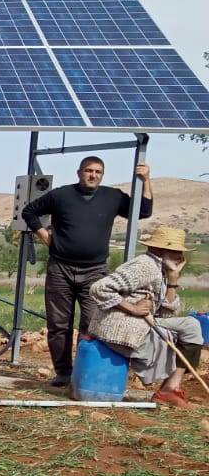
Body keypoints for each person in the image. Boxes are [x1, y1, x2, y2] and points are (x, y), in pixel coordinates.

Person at [22, 156, 154, 387]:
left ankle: (83, 374)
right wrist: (44, 235)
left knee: (92, 324)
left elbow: (143, 212)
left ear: (102, 175)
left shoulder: (112, 197)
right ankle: (63, 373)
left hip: (95, 273)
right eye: (89, 171)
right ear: (79, 172)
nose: (93, 175)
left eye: (98, 172)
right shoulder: (61, 195)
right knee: (58, 325)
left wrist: (146, 179)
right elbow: (29, 211)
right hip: (60, 269)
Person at [87, 226, 201, 408]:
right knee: (189, 328)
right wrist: (132, 308)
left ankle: (170, 389)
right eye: (176, 251)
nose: (180, 256)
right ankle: (168, 390)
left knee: (191, 327)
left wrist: (173, 279)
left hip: (143, 323)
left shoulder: (162, 269)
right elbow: (99, 288)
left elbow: (167, 314)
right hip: (122, 326)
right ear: (161, 249)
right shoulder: (144, 266)